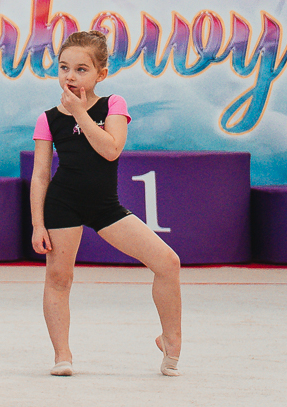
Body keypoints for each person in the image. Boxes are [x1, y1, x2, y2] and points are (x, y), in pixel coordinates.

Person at [29, 29, 183, 378]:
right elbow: (40, 175)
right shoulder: (48, 118)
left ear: (101, 74)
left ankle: (170, 340)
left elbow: (111, 149)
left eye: (81, 69)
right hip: (62, 204)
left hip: (105, 207)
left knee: (168, 262)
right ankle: (62, 355)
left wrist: (80, 113)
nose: (70, 76)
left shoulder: (113, 104)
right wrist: (38, 223)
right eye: (64, 67)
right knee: (59, 278)